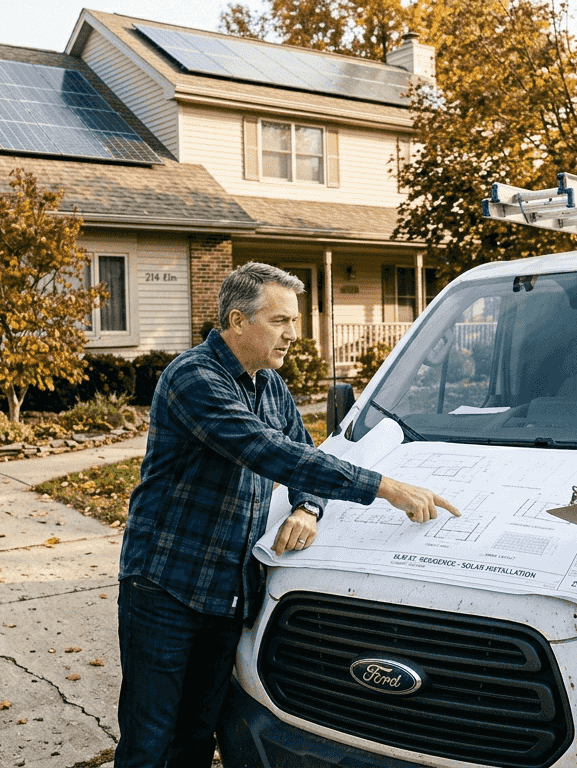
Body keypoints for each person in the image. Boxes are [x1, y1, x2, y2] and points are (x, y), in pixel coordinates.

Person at [115, 262, 459, 768]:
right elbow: (267, 451)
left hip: (227, 592)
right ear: (237, 321)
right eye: (280, 321)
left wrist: (307, 508)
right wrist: (385, 487)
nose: (294, 334)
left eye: (293, 322)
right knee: (149, 741)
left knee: (195, 736)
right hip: (166, 586)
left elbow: (304, 456)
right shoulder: (193, 377)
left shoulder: (269, 385)